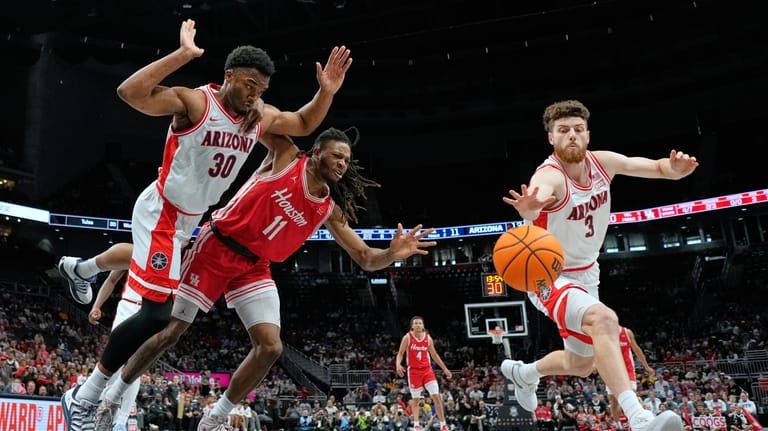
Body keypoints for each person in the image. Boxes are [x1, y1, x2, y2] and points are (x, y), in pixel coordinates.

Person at [59, 18, 353, 431]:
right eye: (249, 84)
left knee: (156, 315)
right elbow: (130, 92)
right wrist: (182, 56)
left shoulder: (258, 116)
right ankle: (85, 396)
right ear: (228, 76)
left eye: (261, 90)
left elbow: (304, 124)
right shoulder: (196, 103)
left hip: (190, 222)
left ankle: (79, 269)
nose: (255, 95)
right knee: (159, 316)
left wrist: (326, 92)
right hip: (162, 211)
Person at [93, 127, 437, 431]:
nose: (343, 164)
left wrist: (391, 254)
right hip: (216, 247)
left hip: (255, 266)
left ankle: (215, 417)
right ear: (316, 152)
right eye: (337, 155)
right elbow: (261, 121)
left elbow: (365, 257)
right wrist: (322, 96)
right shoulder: (287, 156)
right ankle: (114, 393)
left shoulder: (329, 208)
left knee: (271, 346)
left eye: (347, 161)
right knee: (170, 332)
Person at [498, 99, 699, 431]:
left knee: (583, 362)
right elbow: (537, 196)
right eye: (563, 131)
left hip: (587, 273)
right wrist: (529, 209)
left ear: (588, 135)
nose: (572, 136)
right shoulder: (550, 175)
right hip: (548, 276)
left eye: (578, 130)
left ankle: (525, 373)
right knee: (604, 319)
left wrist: (674, 170)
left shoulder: (604, 162)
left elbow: (657, 168)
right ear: (551, 138)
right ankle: (640, 419)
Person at [395, 316, 453, 431]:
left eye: (419, 323)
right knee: (415, 400)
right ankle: (416, 424)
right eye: (415, 323)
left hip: (427, 370)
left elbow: (434, 355)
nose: (417, 325)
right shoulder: (407, 337)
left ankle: (443, 425)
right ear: (412, 326)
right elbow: (400, 353)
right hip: (414, 371)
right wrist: (398, 364)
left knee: (436, 396)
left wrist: (445, 369)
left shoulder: (428, 338)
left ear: (423, 326)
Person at [607, 326, 655, 421]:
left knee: (632, 398)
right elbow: (597, 349)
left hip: (627, 370)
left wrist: (646, 366)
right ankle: (618, 426)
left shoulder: (627, 332)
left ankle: (636, 423)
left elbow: (636, 349)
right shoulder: (604, 334)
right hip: (611, 370)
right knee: (613, 401)